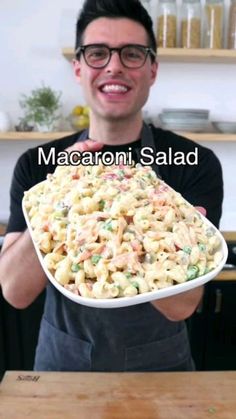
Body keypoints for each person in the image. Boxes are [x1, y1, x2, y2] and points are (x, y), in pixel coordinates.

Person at [0, 0, 223, 372]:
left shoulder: (194, 163)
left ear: (152, 70)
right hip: (63, 369)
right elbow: (14, 291)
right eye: (98, 53)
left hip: (161, 370)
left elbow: (182, 305)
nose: (114, 65)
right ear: (78, 68)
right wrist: (62, 188)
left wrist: (138, 208)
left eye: (132, 54)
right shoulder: (39, 166)